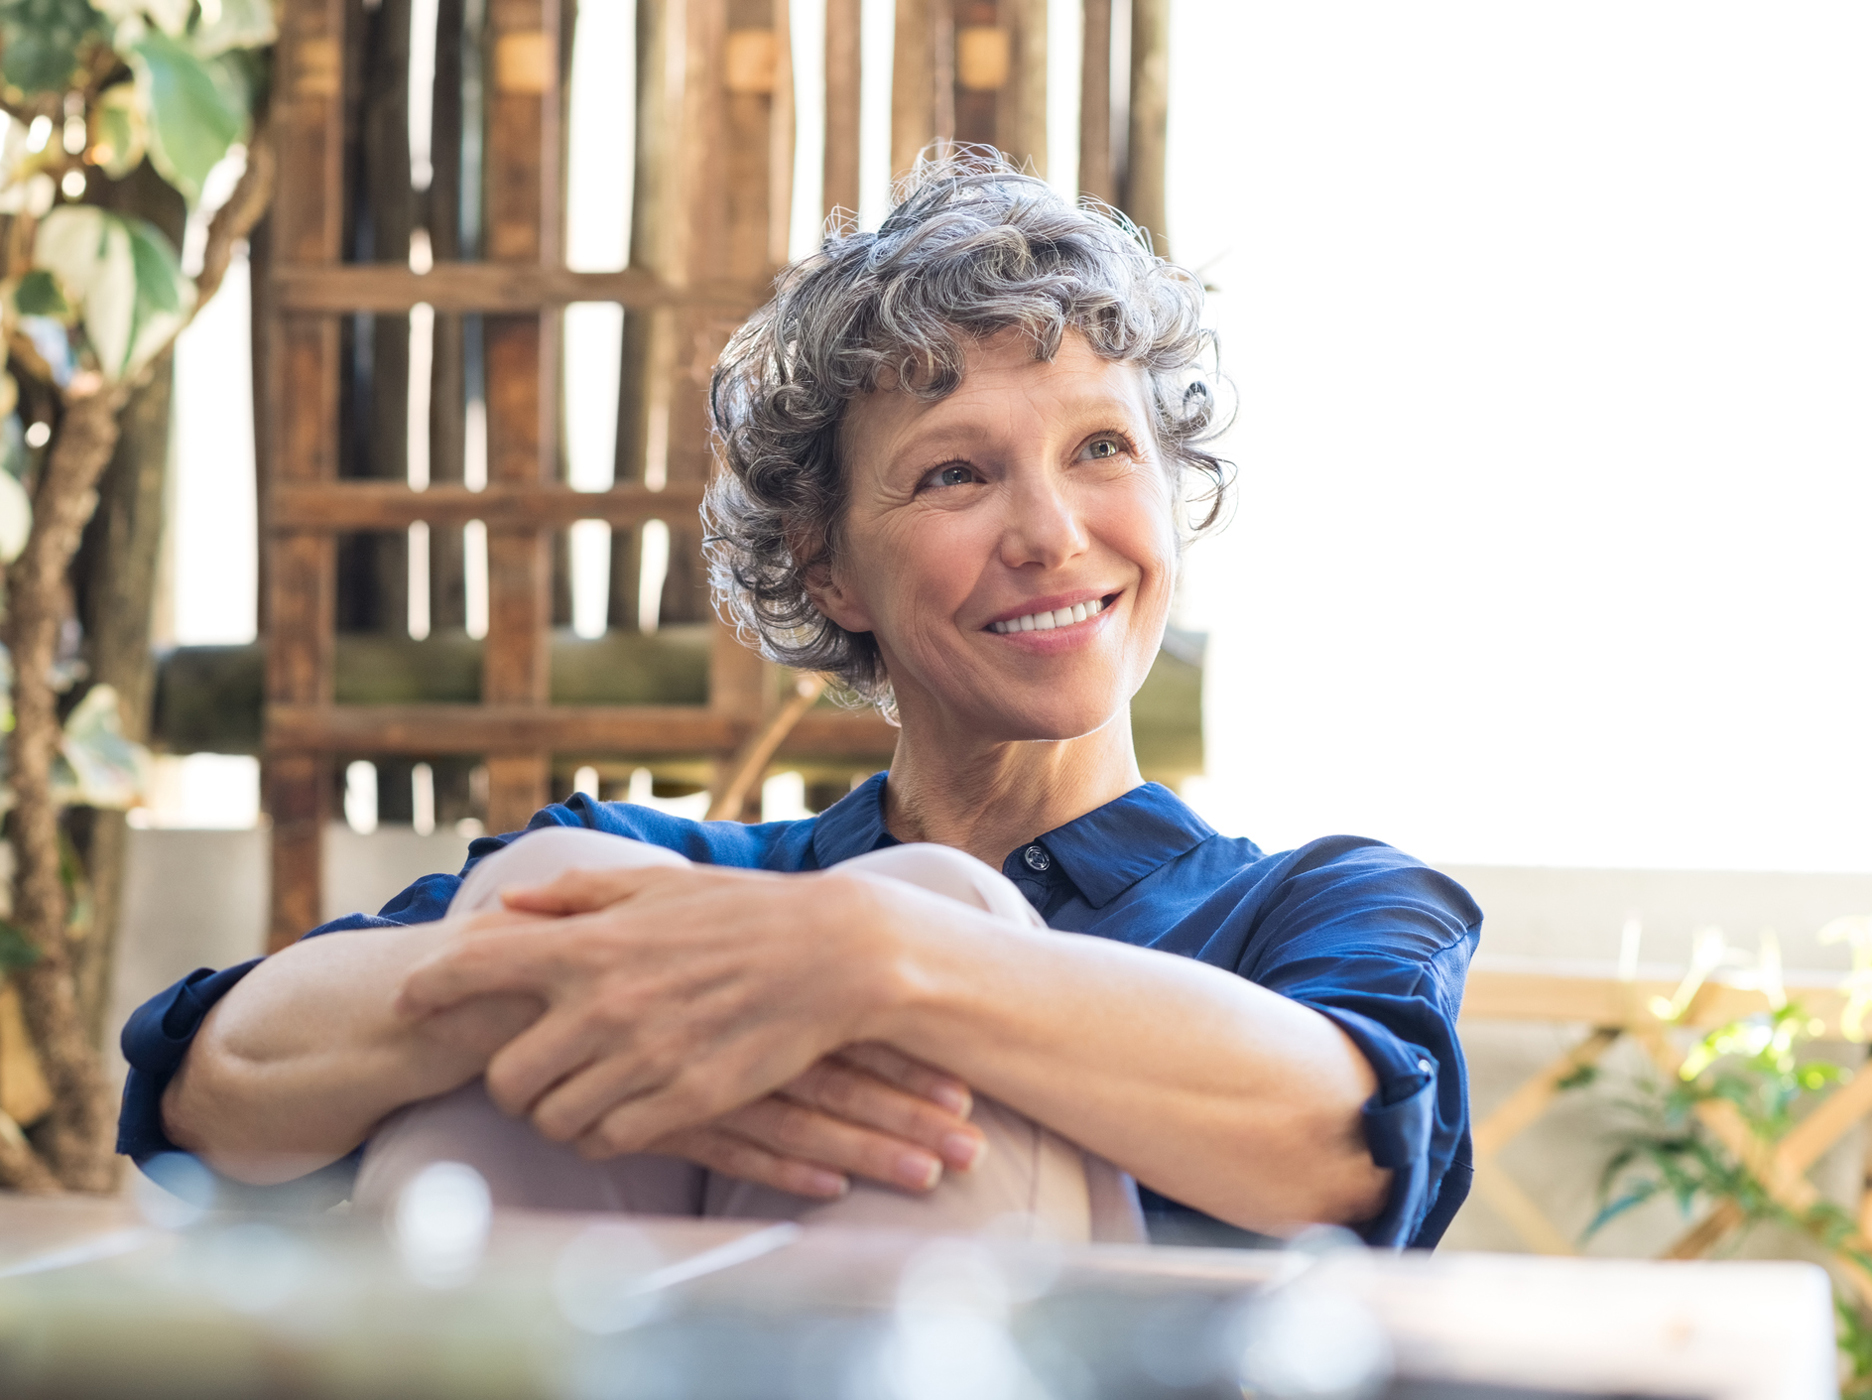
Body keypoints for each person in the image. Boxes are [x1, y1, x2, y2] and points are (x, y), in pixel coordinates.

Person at [119, 152, 1480, 1249]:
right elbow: (210, 1090)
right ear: (827, 566)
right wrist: (520, 992)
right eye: (956, 474)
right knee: (550, 892)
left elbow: (1346, 1151)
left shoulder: (1321, 904)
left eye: (1103, 448)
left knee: (929, 901)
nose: (1053, 533)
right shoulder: (656, 870)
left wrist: (890, 957)